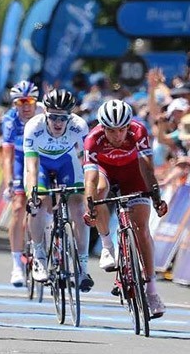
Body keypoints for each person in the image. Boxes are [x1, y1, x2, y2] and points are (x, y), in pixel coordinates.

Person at [83, 99, 169, 317]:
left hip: (133, 174)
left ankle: (151, 291)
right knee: (100, 191)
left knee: (142, 229)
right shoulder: (93, 139)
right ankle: (106, 246)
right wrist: (90, 206)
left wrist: (156, 197)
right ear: (103, 128)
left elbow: (147, 169)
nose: (118, 135)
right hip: (105, 172)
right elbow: (90, 180)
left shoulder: (138, 131)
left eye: (122, 129)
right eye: (112, 131)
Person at [23, 89, 93, 292]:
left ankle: (82, 267)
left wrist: (89, 191)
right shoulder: (33, 127)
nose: (58, 122)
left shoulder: (79, 127)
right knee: (38, 203)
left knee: (79, 209)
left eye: (63, 118)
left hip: (66, 163)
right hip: (41, 164)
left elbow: (85, 161)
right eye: (53, 116)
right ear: (45, 112)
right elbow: (31, 166)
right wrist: (32, 193)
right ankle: (39, 256)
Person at [0, 80, 43, 286]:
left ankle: (45, 246)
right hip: (20, 160)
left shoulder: (45, 114)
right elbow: (7, 156)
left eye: (30, 101)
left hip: (42, 159)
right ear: (14, 104)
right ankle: (17, 265)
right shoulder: (9, 120)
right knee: (18, 208)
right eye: (20, 102)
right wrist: (9, 182)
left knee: (45, 201)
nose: (26, 106)